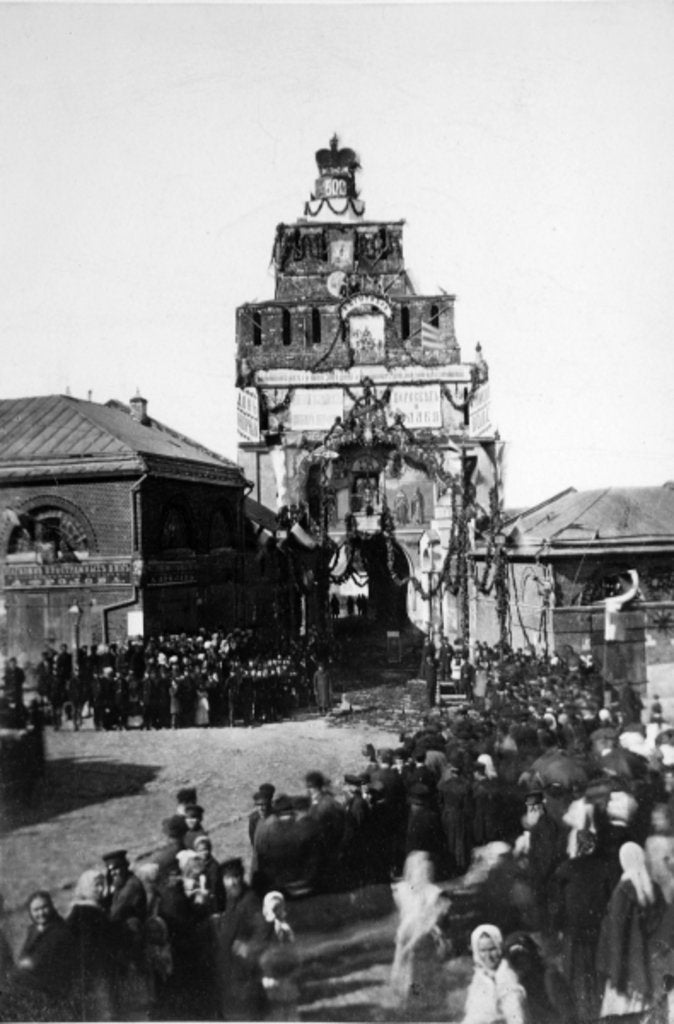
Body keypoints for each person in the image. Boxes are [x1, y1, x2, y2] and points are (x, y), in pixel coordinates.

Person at [596, 840, 666, 1019]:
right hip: (649, 969)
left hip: (627, 971)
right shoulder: (655, 889)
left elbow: (617, 937)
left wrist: (616, 975)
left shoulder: (622, 891)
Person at [390, 851, 450, 1015]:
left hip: (426, 939)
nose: (422, 870)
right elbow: (404, 914)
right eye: (416, 867)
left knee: (425, 971)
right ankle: (412, 1000)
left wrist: (413, 942)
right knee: (408, 972)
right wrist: (403, 940)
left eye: (425, 867)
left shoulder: (435, 894)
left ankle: (431, 1003)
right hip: (407, 936)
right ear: (408, 871)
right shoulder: (402, 891)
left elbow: (432, 921)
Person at [208, 858, 267, 1021]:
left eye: (236, 877)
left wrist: (250, 947)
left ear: (242, 877)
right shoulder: (231, 899)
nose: (232, 882)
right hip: (230, 968)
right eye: (228, 878)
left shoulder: (250, 899)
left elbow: (262, 928)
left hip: (244, 971)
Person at [66, 868, 126, 1021]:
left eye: (102, 885)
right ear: (85, 888)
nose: (100, 889)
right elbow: (89, 946)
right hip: (96, 972)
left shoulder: (90, 909)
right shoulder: (85, 912)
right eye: (96, 886)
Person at [13, 890, 75, 1009]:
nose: (41, 913)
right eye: (36, 910)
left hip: (52, 987)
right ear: (30, 912)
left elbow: (42, 959)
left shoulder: (60, 930)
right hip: (33, 980)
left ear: (51, 907)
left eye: (44, 907)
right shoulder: (33, 929)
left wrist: (25, 964)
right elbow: (25, 954)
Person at [462, 923, 524, 1024]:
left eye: (492, 949)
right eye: (482, 950)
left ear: (499, 947)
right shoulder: (480, 977)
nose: (488, 956)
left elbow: (515, 1016)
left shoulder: (507, 977)